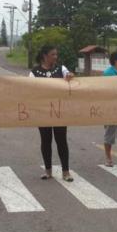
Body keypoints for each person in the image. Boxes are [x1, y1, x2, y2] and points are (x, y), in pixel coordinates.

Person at [30, 45, 74, 181]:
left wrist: (70, 76)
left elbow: (69, 77)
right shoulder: (34, 72)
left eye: (56, 54)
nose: (56, 57)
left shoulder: (61, 69)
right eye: (53, 54)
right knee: (46, 140)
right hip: (43, 111)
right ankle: (48, 171)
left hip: (60, 111)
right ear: (45, 56)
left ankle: (66, 172)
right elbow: (30, 90)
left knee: (61, 140)